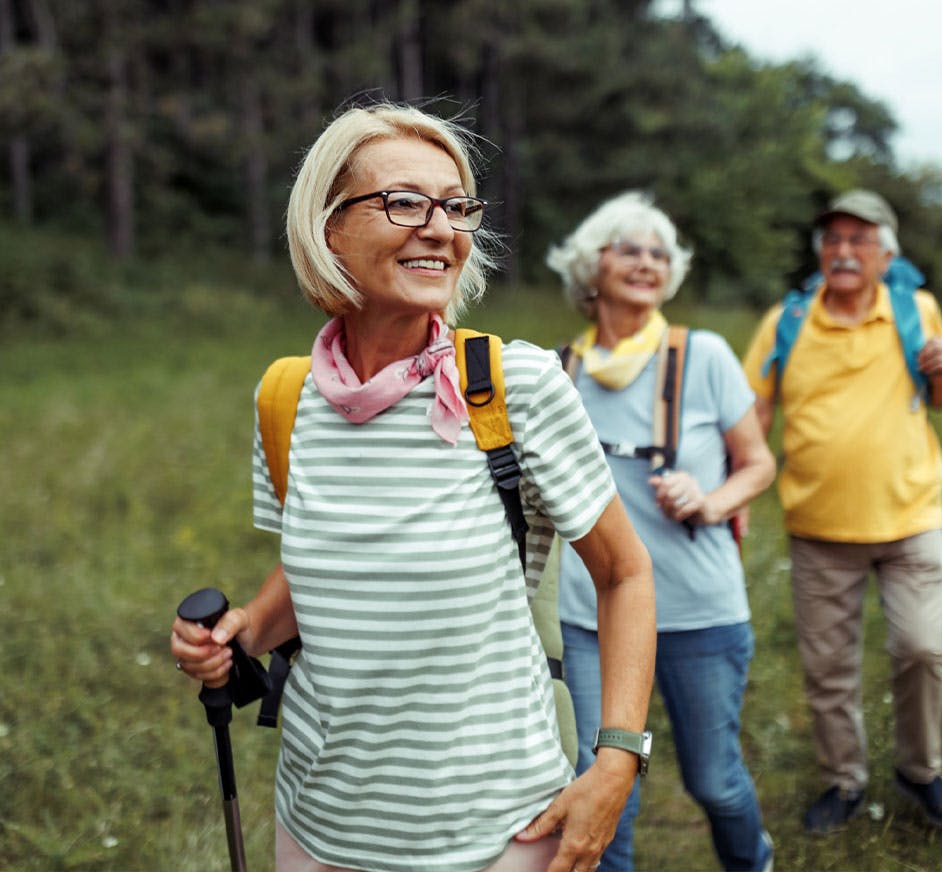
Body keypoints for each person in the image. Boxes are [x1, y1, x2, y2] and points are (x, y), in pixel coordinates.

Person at [169, 102, 657, 872]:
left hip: (498, 833)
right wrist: (239, 633)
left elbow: (625, 573)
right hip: (319, 824)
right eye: (404, 201)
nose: (439, 227)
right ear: (330, 228)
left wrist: (618, 760)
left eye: (456, 206)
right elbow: (319, 566)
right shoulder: (286, 398)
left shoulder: (517, 387)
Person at [547, 191, 776, 871]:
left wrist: (709, 500)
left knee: (715, 780)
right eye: (629, 249)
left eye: (659, 253)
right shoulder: (559, 373)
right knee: (604, 792)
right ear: (592, 267)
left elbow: (758, 463)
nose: (647, 263)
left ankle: (752, 863)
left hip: (699, 613)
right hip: (592, 619)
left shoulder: (702, 355)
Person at [742, 189, 942, 834]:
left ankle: (922, 769)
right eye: (833, 240)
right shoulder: (787, 321)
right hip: (819, 529)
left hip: (914, 516)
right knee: (829, 670)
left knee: (924, 647)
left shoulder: (918, 311)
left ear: (887, 254)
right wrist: (735, 489)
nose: (844, 251)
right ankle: (843, 780)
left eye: (860, 239)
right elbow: (753, 413)